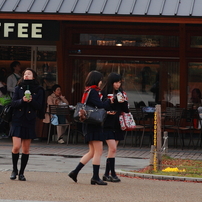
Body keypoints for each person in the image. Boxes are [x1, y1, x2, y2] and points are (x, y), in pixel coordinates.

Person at [68, 70, 113, 185]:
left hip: (87, 124)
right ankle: (95, 177)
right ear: (96, 80)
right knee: (98, 151)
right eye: (100, 80)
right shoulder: (93, 91)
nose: (101, 82)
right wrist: (110, 101)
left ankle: (75, 172)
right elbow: (101, 105)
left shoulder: (87, 90)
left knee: (92, 152)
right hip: (93, 125)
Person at [9, 68, 45, 181]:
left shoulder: (39, 90)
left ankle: (22, 172)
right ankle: (14, 169)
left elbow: (40, 105)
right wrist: (22, 100)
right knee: (16, 147)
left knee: (25, 149)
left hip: (29, 120)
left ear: (34, 76)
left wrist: (31, 101)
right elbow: (13, 103)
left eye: (29, 74)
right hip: (17, 119)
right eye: (25, 74)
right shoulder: (18, 88)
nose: (26, 75)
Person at [101, 72, 129, 182]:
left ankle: (106, 174)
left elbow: (126, 109)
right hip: (107, 123)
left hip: (118, 123)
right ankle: (112, 173)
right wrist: (110, 102)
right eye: (116, 82)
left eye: (119, 82)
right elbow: (101, 106)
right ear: (111, 82)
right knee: (112, 148)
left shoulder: (121, 92)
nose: (118, 84)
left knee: (112, 151)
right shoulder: (104, 93)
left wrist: (123, 101)